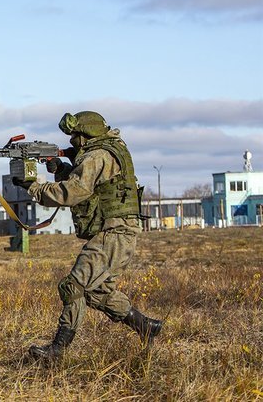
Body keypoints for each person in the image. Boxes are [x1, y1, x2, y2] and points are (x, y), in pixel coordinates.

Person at [13, 111, 163, 360]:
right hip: (117, 232)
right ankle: (146, 327)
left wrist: (35, 188)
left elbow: (73, 192)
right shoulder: (107, 150)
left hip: (115, 233)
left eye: (74, 136)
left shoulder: (98, 155)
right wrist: (60, 168)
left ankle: (57, 351)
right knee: (96, 292)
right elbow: (90, 186)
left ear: (86, 135)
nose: (72, 141)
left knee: (74, 285)